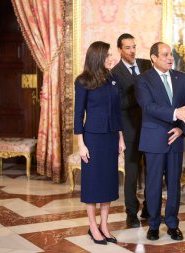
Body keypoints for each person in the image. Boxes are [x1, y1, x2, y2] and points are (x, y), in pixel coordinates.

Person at [135, 42, 185, 241]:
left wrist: (181, 129)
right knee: (152, 185)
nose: (170, 58)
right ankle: (153, 224)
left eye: (171, 54)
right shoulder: (143, 79)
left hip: (175, 139)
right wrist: (174, 113)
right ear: (153, 58)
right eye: (165, 55)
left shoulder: (182, 78)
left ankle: (172, 224)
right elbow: (147, 106)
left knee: (174, 185)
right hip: (153, 140)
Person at [74, 41, 125, 245]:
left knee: (108, 183)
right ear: (97, 57)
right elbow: (78, 115)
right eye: (108, 55)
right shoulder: (83, 81)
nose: (111, 58)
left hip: (111, 137)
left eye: (111, 54)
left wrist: (121, 138)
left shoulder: (113, 79)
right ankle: (93, 226)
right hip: (92, 139)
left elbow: (117, 112)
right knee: (93, 184)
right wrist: (81, 144)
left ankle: (104, 225)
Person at [111, 33, 152, 228]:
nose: (132, 50)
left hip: (152, 127)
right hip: (130, 131)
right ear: (119, 49)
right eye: (127, 47)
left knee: (153, 171)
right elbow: (118, 104)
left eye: (134, 46)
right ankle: (131, 213)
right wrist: (140, 94)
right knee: (132, 173)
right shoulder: (114, 73)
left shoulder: (146, 65)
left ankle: (149, 208)